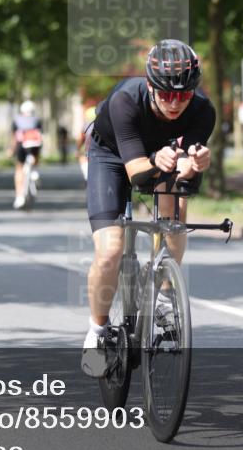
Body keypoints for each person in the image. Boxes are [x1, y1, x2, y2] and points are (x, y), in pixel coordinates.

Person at [81, 39, 214, 377]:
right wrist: (158, 160)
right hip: (112, 157)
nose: (175, 103)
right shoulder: (126, 100)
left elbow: (188, 167)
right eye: (166, 94)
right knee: (110, 251)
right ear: (151, 86)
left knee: (175, 213)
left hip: (160, 156)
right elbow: (136, 173)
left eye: (184, 95)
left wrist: (195, 164)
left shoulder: (203, 110)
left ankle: (165, 291)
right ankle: (97, 332)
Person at [10, 100, 43, 209]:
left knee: (19, 168)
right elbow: (40, 135)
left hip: (21, 145)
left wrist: (11, 150)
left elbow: (14, 137)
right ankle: (35, 171)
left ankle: (19, 196)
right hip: (34, 145)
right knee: (35, 156)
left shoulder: (16, 120)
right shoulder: (37, 120)